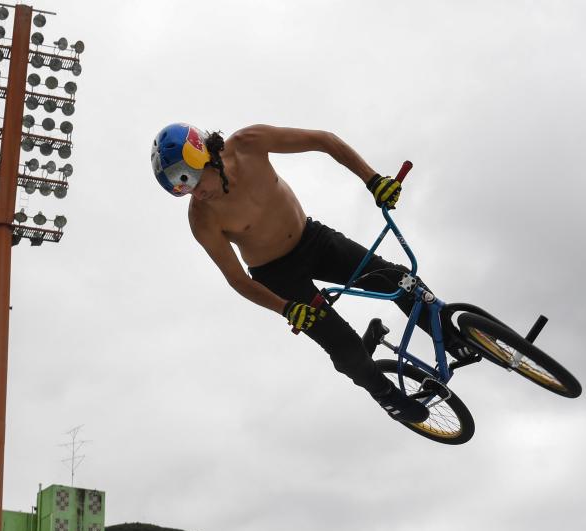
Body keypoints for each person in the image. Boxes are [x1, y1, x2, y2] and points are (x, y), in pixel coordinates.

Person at [150, 123, 465, 424]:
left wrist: (372, 179)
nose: (195, 194)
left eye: (191, 181)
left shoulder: (250, 143)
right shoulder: (202, 219)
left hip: (314, 241)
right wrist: (285, 308)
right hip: (277, 276)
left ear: (204, 156)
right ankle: (384, 395)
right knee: (344, 347)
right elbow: (237, 279)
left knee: (395, 280)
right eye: (182, 189)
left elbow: (323, 140)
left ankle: (455, 340)